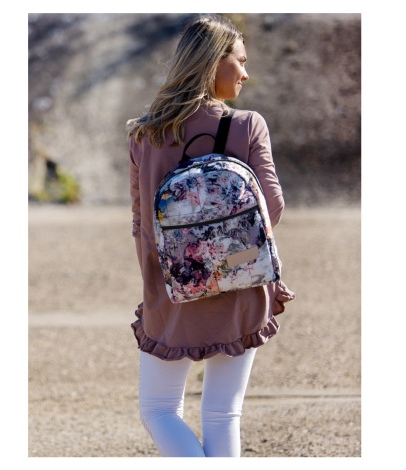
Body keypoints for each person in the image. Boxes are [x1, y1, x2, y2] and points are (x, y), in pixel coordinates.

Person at [126, 14, 295, 457]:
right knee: (223, 413)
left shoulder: (145, 134)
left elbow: (142, 226)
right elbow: (272, 208)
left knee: (159, 410)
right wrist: (229, 259)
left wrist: (167, 284)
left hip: (175, 289)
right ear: (212, 62)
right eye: (240, 61)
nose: (245, 73)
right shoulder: (247, 125)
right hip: (242, 283)